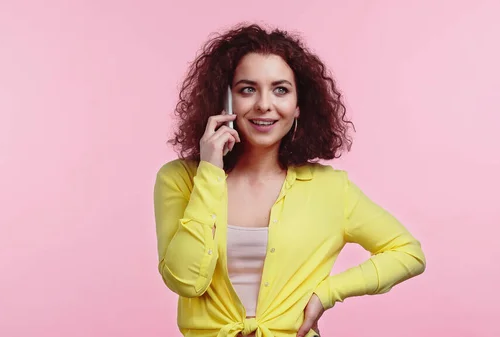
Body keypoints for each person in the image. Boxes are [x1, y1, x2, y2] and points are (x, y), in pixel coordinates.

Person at [153, 23, 426, 337]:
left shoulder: (331, 189)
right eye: (247, 89)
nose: (264, 104)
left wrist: (328, 293)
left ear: (298, 106)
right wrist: (210, 171)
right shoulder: (180, 179)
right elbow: (184, 281)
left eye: (280, 89)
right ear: (225, 101)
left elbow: (408, 252)